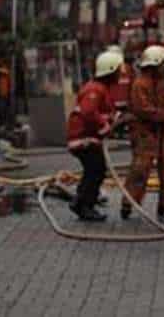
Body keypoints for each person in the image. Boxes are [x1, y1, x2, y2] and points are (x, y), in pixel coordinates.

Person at [122, 45, 164, 220]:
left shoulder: (159, 83)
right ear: (156, 64)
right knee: (140, 169)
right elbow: (143, 109)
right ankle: (129, 203)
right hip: (146, 132)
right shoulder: (140, 84)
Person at [65, 50, 122, 221]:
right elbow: (89, 112)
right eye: (118, 70)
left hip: (87, 139)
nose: (120, 74)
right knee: (95, 171)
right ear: (111, 71)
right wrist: (104, 125)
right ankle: (83, 205)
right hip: (83, 140)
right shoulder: (95, 89)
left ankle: (82, 202)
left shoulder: (99, 88)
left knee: (95, 170)